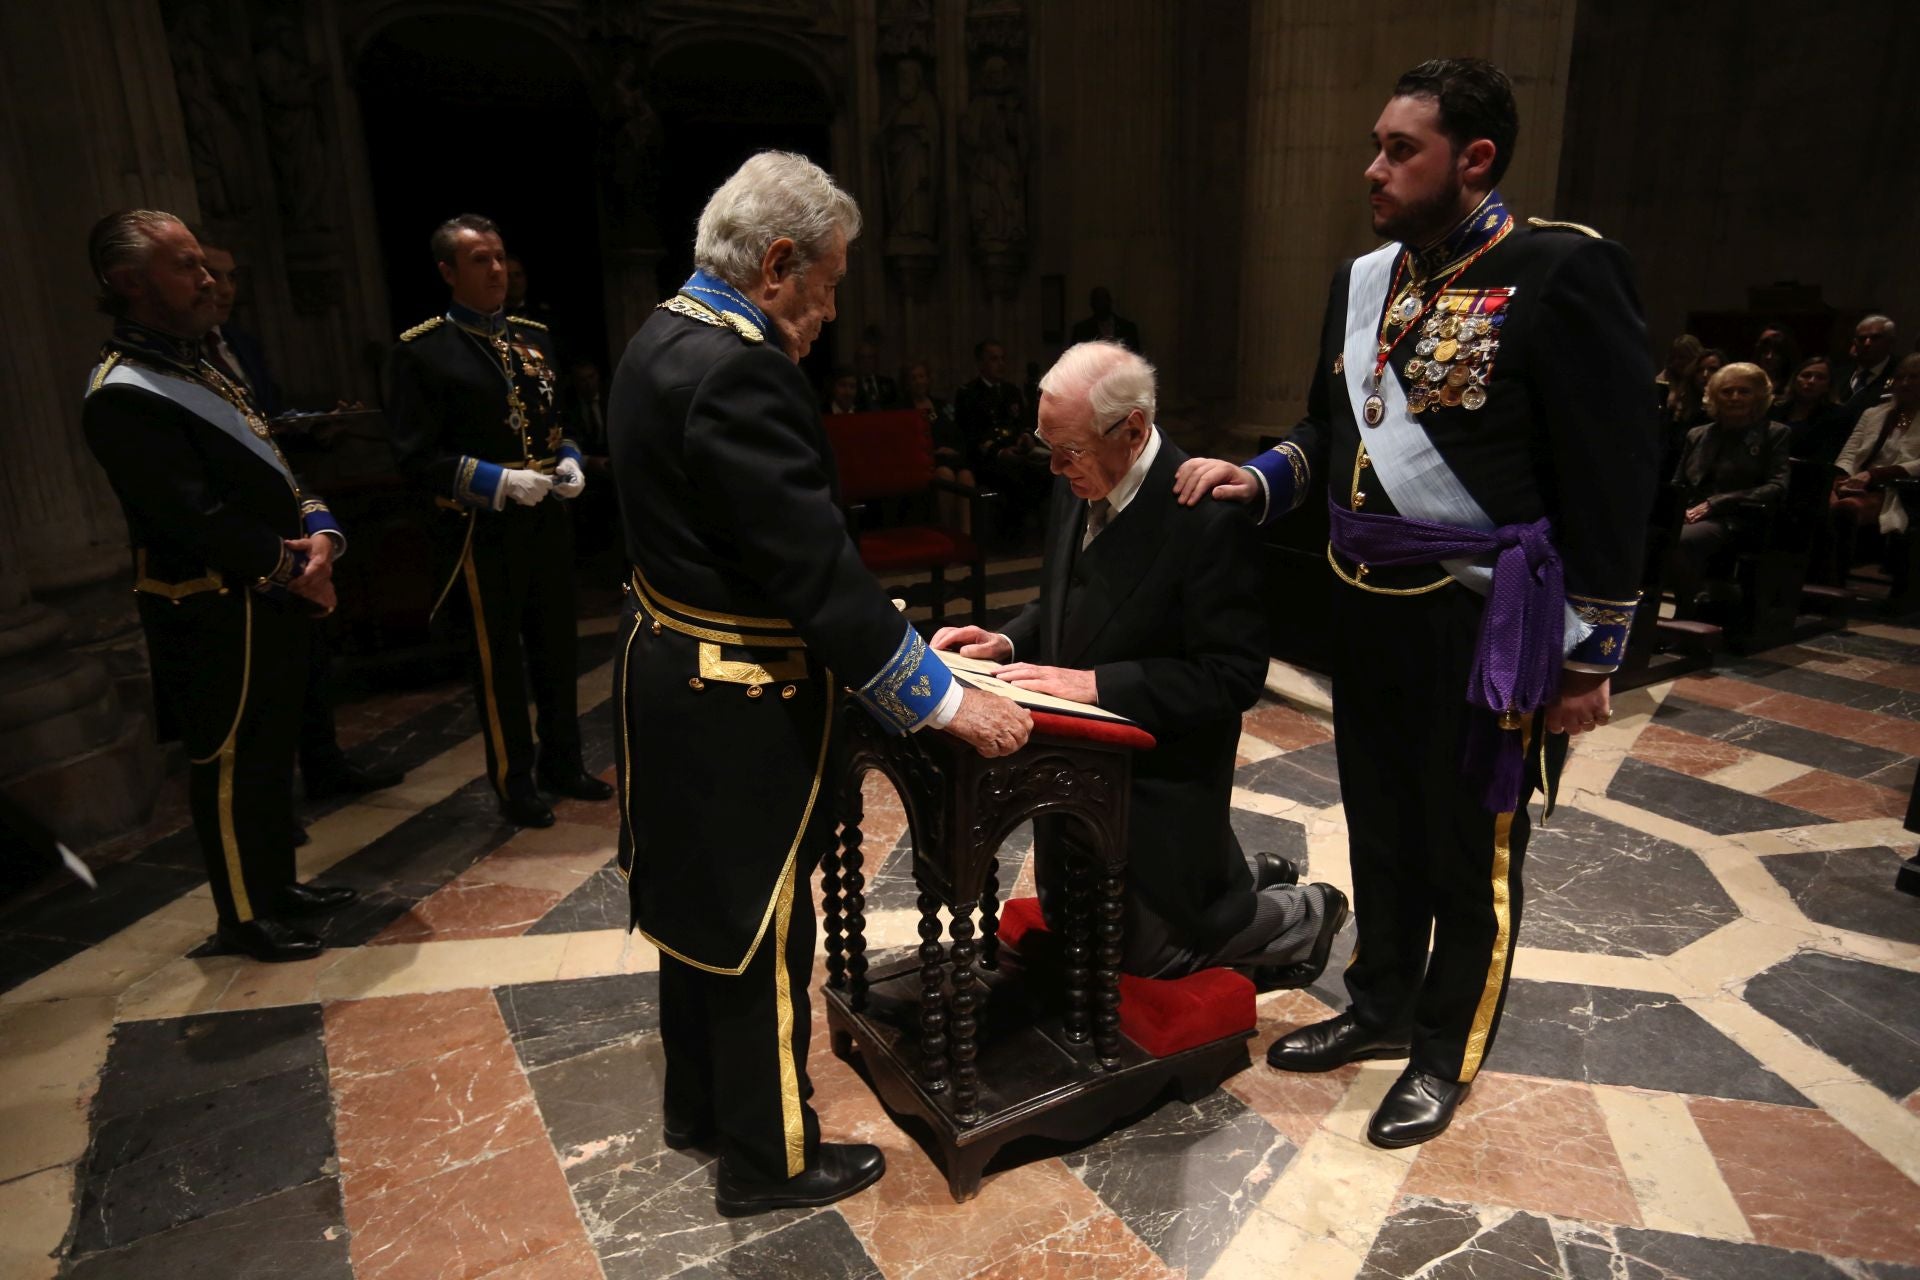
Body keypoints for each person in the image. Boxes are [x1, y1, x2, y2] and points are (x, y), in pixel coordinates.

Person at [1174, 58, 1656, 1148]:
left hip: (1484, 622)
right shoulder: (1368, 280)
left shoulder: (1559, 272)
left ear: (1475, 158)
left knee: (1469, 848)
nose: (1372, 169)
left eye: (1402, 150)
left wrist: (1591, 655)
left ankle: (1447, 1046)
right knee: (1383, 827)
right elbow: (1328, 432)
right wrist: (1260, 478)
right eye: (1378, 145)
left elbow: (1616, 471)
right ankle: (1382, 1001)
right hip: (1367, 608)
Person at [606, 151, 1031, 1216]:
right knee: (763, 922)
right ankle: (770, 1154)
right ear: (778, 263)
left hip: (671, 671)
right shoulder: (741, 368)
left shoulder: (659, 336)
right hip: (739, 694)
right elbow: (813, 568)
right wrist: (938, 697)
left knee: (697, 911)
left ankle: (701, 1105)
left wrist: (916, 652)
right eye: (831, 283)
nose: (831, 311)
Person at [931, 341, 1347, 983]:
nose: (1054, 467)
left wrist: (1098, 684)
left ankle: (1300, 912)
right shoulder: (1079, 476)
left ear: (1133, 429)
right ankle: (1247, 873)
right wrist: (1010, 641)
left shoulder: (1208, 519)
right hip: (1080, 776)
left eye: (1066, 450)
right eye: (1050, 447)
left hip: (1159, 782)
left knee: (1152, 959)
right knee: (1075, 931)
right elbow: (1070, 596)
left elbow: (1233, 675)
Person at [80, 210, 360, 963]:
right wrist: (296, 573)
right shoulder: (125, 391)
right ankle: (242, 914)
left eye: (204, 264)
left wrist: (322, 536)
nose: (207, 280)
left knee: (272, 754)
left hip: (266, 591)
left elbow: (275, 474)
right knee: (231, 762)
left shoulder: (197, 365)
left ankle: (277, 888)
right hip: (207, 603)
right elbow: (192, 515)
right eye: (185, 267)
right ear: (129, 283)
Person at [384, 214, 612, 828]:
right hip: (481, 530)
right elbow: (415, 457)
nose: (496, 270)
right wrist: (498, 482)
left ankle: (564, 763)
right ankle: (515, 780)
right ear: (448, 272)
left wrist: (568, 460)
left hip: (547, 517)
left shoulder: (535, 336)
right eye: (480, 260)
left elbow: (553, 420)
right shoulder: (424, 350)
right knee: (501, 663)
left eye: (500, 257)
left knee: (558, 648)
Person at [200, 236, 405, 827]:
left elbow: (269, 424)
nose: (222, 288)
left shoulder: (239, 345)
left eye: (231, 276)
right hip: (241, 541)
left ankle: (324, 763)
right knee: (261, 685)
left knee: (311, 661)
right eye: (208, 274)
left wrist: (319, 429)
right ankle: (268, 812)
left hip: (290, 517)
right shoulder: (181, 363)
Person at [1665, 362, 1792, 620]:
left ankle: (1688, 614)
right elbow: (1678, 483)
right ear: (1713, 396)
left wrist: (1717, 503)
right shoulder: (1697, 434)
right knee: (1648, 533)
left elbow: (1777, 486)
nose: (1735, 397)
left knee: (1677, 540)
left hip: (1739, 519)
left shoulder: (1775, 434)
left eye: (1744, 391)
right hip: (1692, 514)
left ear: (1759, 396)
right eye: (1727, 391)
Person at [1829, 353, 1920, 583]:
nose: (1906, 383)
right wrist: (1844, 478)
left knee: (1846, 508)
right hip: (1856, 482)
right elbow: (1849, 454)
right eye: (1901, 377)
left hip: (1896, 489)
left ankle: (1835, 580)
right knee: (1817, 498)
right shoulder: (1874, 413)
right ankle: (1811, 578)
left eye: (1914, 377)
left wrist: (1873, 476)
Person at [955, 338, 1046, 530]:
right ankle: (1010, 537)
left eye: (1002, 359)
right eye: (994, 359)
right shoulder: (969, 394)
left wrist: (1026, 437)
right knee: (1010, 479)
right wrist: (999, 451)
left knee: (1049, 472)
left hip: (1017, 453)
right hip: (987, 459)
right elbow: (972, 434)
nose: (1001, 364)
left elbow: (1023, 423)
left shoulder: (1011, 391)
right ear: (981, 364)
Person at [906, 359, 973, 535]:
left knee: (966, 476)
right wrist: (933, 452)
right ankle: (947, 533)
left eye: (922, 376)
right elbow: (906, 443)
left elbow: (957, 434)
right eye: (913, 378)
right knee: (945, 475)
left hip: (950, 458)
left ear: (928, 379)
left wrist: (952, 449)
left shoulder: (942, 406)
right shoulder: (903, 408)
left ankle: (967, 536)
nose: (919, 381)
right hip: (925, 463)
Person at [1778, 354, 1849, 465]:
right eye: (1806, 375)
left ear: (1828, 386)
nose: (1811, 381)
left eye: (1820, 378)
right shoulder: (1777, 409)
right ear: (1795, 379)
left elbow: (1826, 458)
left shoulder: (1837, 416)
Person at [1836, 314, 1898, 425]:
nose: (1867, 343)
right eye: (1862, 338)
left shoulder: (1901, 375)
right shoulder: (1840, 374)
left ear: (1890, 342)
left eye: (1875, 338)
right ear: (1855, 343)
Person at [1068, 286, 1142, 353]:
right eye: (1098, 301)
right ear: (1092, 304)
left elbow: (1136, 355)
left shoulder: (1128, 328)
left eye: (1103, 300)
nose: (1101, 304)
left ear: (1109, 302)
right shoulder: (1081, 330)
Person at [1752, 325, 1800, 399]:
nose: (1769, 357)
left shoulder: (1794, 383)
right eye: (1765, 352)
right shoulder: (1749, 379)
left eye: (1776, 353)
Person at [853, 338, 899, 410]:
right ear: (857, 361)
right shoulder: (852, 385)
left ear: (876, 360)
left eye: (870, 357)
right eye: (862, 357)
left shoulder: (888, 383)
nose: (866, 361)